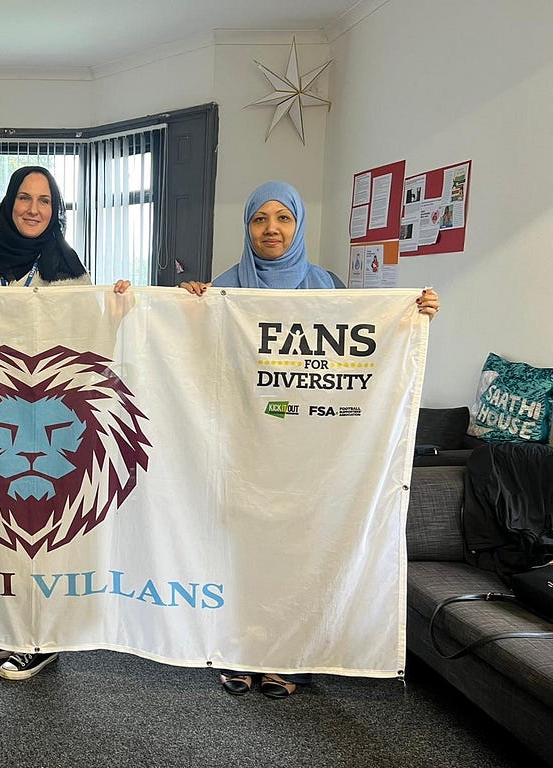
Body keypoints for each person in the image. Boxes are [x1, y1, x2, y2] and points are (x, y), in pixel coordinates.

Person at [181, 180, 440, 698]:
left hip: (309, 451)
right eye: (260, 220)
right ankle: (238, 651)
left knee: (299, 554)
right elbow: (198, 360)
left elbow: (359, 350)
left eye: (283, 219)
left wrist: (415, 313)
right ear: (247, 227)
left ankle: (292, 657)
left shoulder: (326, 286)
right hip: (243, 449)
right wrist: (189, 307)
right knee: (242, 554)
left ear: (297, 225)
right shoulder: (225, 287)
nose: (271, 229)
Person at [0, 165, 129, 680]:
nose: (33, 208)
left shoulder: (70, 269)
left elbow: (92, 338)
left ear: (55, 210)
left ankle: (43, 637)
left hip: (48, 423)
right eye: (25, 197)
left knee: (40, 527)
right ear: (8, 203)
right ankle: (10, 626)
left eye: (45, 200)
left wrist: (118, 304)